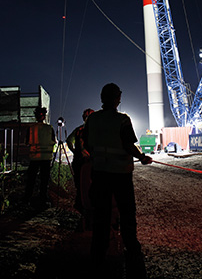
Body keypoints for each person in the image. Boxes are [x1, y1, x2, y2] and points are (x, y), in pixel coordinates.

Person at [83, 83, 152, 276]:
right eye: (119, 96)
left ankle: (98, 254)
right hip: (121, 174)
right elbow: (128, 144)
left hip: (99, 173)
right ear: (116, 98)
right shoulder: (122, 120)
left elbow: (88, 143)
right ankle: (132, 250)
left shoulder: (93, 119)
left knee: (101, 214)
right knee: (127, 213)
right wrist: (142, 157)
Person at [23, 106, 56, 206]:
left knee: (31, 180)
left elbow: (26, 142)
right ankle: (43, 199)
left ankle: (27, 199)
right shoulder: (50, 128)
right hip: (46, 158)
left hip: (34, 158)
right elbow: (53, 141)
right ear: (44, 116)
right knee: (44, 180)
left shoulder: (31, 129)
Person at [66, 108, 94, 212]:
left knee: (80, 184)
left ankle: (80, 204)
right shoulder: (97, 130)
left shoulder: (78, 130)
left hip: (79, 160)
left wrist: (75, 151)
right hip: (93, 161)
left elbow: (69, 141)